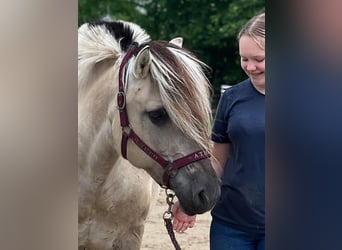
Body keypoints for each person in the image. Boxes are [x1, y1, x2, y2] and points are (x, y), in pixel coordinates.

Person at [172, 12, 265, 250]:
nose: (250, 67)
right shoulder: (232, 98)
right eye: (244, 59)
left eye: (259, 59)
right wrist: (189, 202)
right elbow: (219, 161)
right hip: (231, 226)